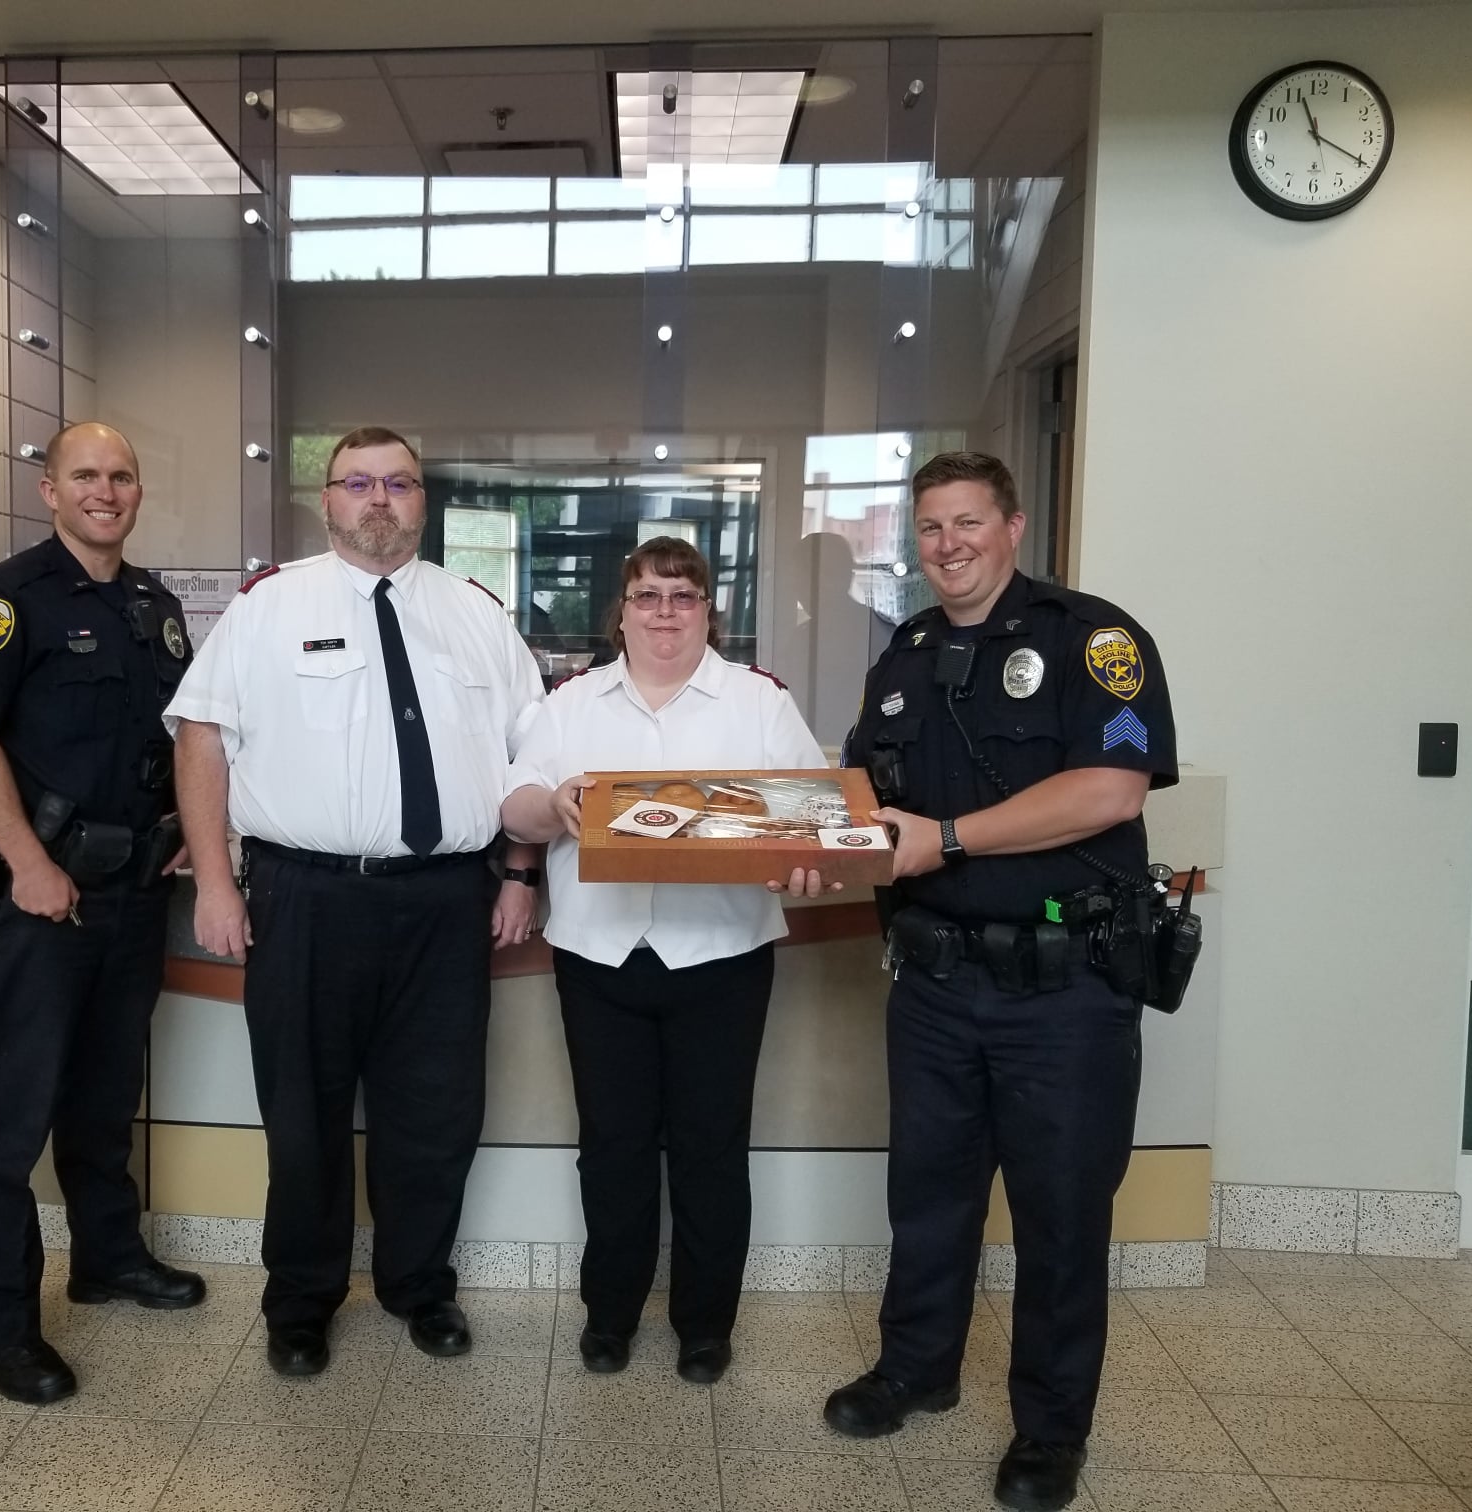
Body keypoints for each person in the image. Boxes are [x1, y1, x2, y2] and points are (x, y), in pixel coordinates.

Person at [823, 452, 1178, 1512]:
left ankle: (1050, 1430)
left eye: (968, 522)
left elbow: (1112, 790)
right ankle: (916, 1369)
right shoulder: (903, 659)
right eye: (931, 527)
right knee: (927, 1198)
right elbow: (860, 805)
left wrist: (949, 838)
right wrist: (815, 852)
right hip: (934, 984)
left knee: (1061, 1216)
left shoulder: (1096, 641)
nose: (949, 545)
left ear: (1013, 527)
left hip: (1064, 993)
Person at [165, 425, 545, 1376]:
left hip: (446, 902)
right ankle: (301, 1301)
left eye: (399, 483)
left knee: (436, 1111)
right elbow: (201, 737)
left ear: (423, 500)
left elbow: (533, 754)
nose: (379, 499)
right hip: (305, 899)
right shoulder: (268, 606)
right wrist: (215, 880)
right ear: (326, 500)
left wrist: (519, 872)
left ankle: (421, 1286)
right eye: (358, 483)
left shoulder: (476, 612)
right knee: (303, 1116)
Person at [500, 536, 832, 1386]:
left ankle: (705, 1326)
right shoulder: (573, 703)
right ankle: (609, 1315)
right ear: (621, 611)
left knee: (710, 1148)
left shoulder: (757, 701)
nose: (665, 613)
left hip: (720, 955)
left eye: (683, 597)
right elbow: (515, 806)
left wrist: (802, 854)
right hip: (599, 956)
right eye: (647, 596)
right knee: (611, 1145)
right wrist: (553, 801)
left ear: (709, 611)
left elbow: (816, 813)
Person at [0, 421, 206, 1405]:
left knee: (103, 1094)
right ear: (49, 490)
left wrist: (191, 830)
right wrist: (27, 861)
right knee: (10, 1118)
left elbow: (179, 737)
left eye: (121, 476)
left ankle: (108, 1257)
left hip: (134, 891)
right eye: (85, 475)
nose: (105, 490)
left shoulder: (153, 605)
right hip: (45, 899)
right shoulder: (7, 598)